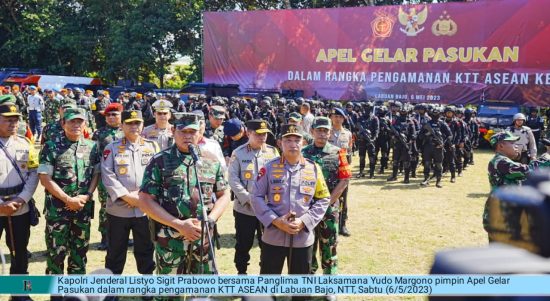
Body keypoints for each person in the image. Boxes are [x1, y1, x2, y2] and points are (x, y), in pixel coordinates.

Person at [138, 114, 230, 274]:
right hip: (170, 239)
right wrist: (178, 224)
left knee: (202, 293)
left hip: (203, 238)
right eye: (183, 131)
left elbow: (224, 194)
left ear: (200, 133)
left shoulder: (210, 160)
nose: (188, 136)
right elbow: (145, 200)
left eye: (192, 132)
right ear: (173, 131)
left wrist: (210, 220)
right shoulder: (159, 161)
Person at [252, 124, 330, 277]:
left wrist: (305, 221)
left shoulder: (313, 169)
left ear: (304, 143)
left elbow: (323, 198)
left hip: (302, 237)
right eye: (288, 140)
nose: (293, 144)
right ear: (280, 143)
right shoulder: (268, 168)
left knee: (300, 286)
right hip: (273, 236)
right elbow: (255, 196)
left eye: (297, 140)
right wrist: (275, 220)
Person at [38, 108, 100, 278]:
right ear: (63, 123)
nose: (76, 125)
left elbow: (96, 173)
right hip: (58, 212)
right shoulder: (51, 146)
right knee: (56, 255)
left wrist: (87, 195)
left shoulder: (92, 147)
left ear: (85, 124)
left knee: (79, 255)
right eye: (71, 121)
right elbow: (45, 178)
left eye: (79, 121)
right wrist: (67, 199)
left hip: (82, 210)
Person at [101, 110, 157, 275]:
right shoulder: (111, 148)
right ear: (122, 125)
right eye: (129, 123)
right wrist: (127, 196)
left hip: (145, 210)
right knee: (115, 254)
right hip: (119, 210)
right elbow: (107, 175)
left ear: (142, 125)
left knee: (146, 251)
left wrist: (139, 198)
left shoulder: (152, 147)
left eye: (137, 123)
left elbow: (156, 175)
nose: (134, 126)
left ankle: (147, 289)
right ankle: (111, 292)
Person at [228, 119, 279, 275]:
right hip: (245, 209)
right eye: (258, 134)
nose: (262, 137)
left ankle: (266, 275)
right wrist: (248, 199)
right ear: (249, 133)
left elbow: (278, 177)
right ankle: (242, 274)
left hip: (268, 209)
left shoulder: (273, 152)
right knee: (243, 244)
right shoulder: (238, 153)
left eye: (265, 134)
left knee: (269, 245)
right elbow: (233, 179)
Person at [302, 117, 351, 275]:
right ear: (312, 131)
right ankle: (308, 277)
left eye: (326, 131)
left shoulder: (339, 152)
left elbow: (344, 179)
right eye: (319, 130)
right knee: (306, 245)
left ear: (330, 133)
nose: (322, 134)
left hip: (329, 209)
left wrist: (327, 203)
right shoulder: (302, 153)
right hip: (306, 208)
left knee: (329, 245)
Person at [0, 103, 39, 301]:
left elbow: (33, 174)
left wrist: (22, 198)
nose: (13, 123)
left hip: (19, 206)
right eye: (8, 119)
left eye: (15, 119)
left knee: (20, 251)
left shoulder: (25, 143)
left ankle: (20, 292)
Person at [483, 131, 550, 240]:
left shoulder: (503, 161)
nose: (516, 146)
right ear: (501, 145)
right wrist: (546, 157)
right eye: (513, 143)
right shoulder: (500, 161)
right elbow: (529, 171)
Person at [328, 108, 353, 236]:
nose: (337, 119)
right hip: (329, 169)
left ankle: (342, 224)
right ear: (331, 118)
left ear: (343, 119)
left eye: (340, 117)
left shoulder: (347, 134)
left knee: (343, 197)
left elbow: (349, 152)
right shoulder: (327, 132)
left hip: (342, 171)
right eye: (335, 116)